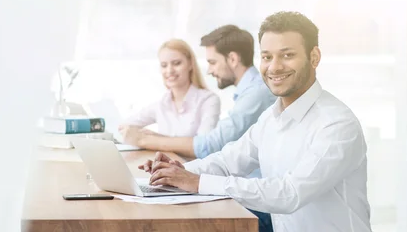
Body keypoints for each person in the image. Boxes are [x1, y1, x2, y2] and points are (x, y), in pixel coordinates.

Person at [139, 12, 372, 232]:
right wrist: (173, 172)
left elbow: (290, 194)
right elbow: (227, 161)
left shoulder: (336, 124)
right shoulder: (271, 117)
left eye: (287, 55)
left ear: (314, 57)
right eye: (267, 57)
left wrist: (197, 182)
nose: (274, 66)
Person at [121, 25, 276, 231]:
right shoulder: (247, 94)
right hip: (245, 189)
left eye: (212, 62)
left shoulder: (256, 95)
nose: (210, 70)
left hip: (260, 201)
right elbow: (224, 156)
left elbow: (212, 144)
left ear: (232, 59)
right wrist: (180, 169)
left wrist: (144, 139)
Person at [119, 39, 221, 138]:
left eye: (176, 63)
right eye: (164, 65)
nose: (169, 70)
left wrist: (157, 139)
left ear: (190, 64)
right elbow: (124, 126)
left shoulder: (208, 100)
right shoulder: (162, 104)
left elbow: (203, 144)